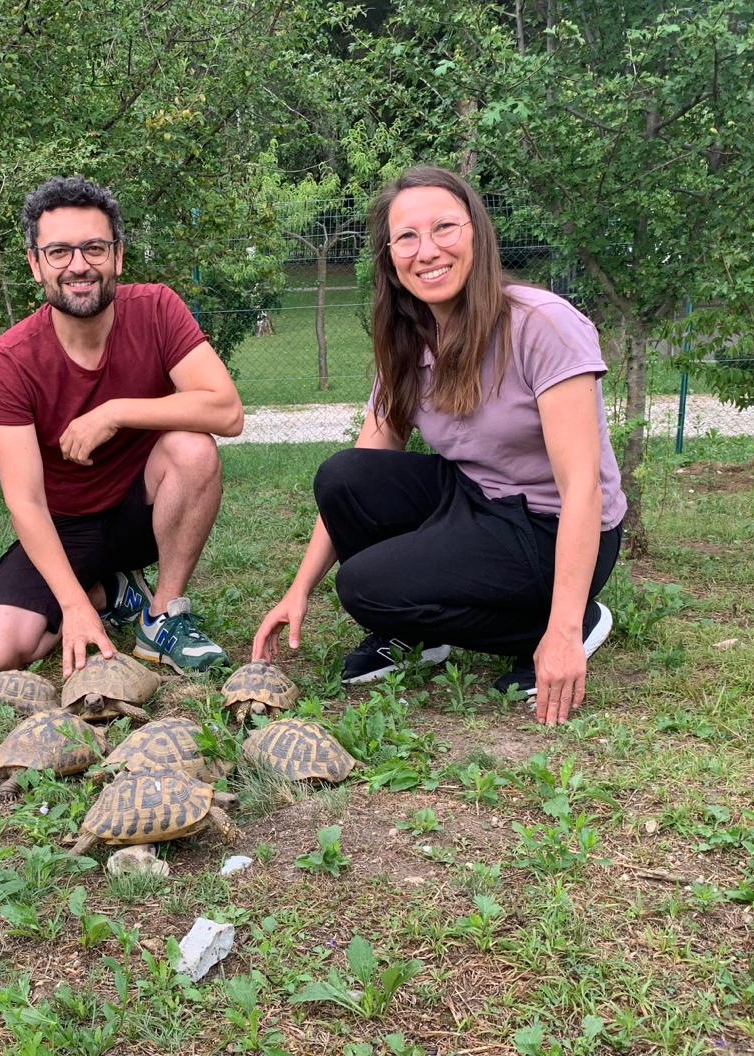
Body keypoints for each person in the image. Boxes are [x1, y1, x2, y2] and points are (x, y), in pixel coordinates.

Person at [252, 166, 627, 726]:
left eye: (444, 228)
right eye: (406, 237)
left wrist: (562, 631)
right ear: (389, 256)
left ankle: (566, 621)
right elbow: (361, 471)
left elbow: (581, 488)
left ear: (477, 232)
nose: (426, 250)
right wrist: (298, 588)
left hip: (553, 526)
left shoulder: (541, 324)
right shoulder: (408, 337)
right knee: (342, 476)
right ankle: (415, 636)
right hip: (473, 496)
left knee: (363, 588)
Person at [0, 175, 243, 677]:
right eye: (58, 252)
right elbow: (25, 501)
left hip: (141, 509)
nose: (78, 266)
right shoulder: (8, 359)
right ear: (35, 264)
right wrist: (72, 606)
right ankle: (105, 592)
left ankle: (162, 617)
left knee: (192, 448)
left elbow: (227, 412)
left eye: (94, 248)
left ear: (117, 256)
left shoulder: (158, 308)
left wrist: (115, 411)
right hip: (64, 526)